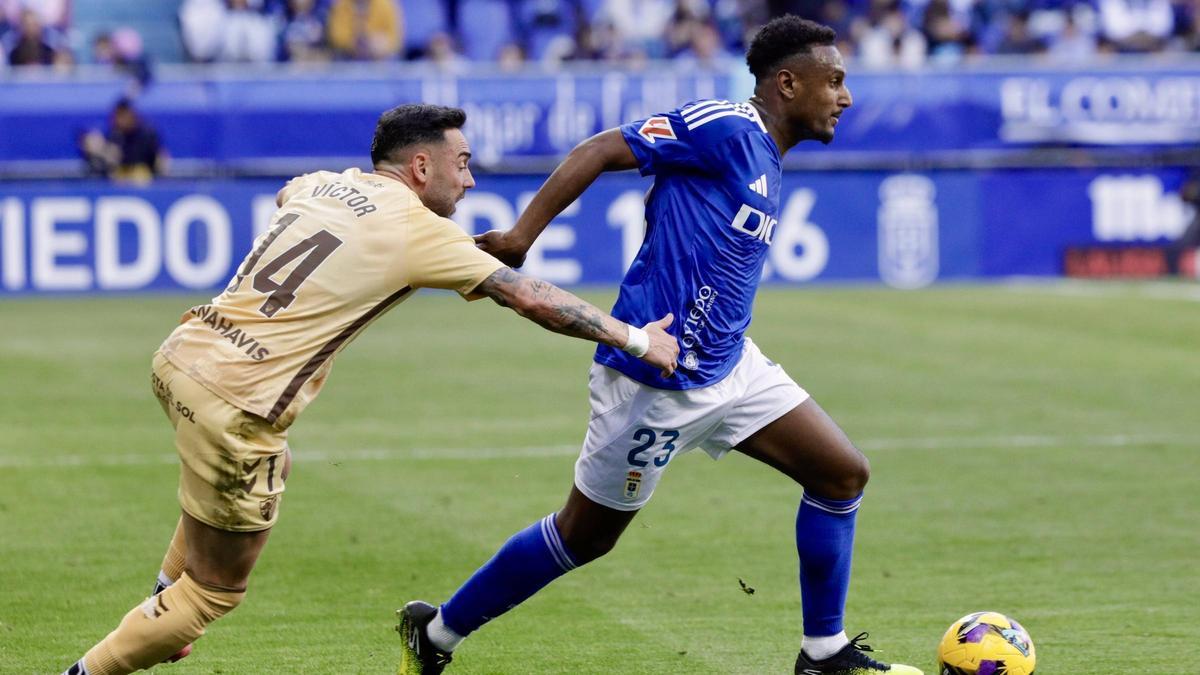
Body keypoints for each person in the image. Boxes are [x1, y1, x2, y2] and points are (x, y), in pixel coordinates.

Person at [61, 103, 678, 675]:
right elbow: (529, 296)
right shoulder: (420, 230)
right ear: (420, 166)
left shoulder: (319, 183)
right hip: (240, 403)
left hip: (183, 356)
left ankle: (164, 601)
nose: (468, 181)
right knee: (217, 590)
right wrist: (636, 340)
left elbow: (288, 196)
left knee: (256, 473)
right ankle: (105, 657)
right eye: (461, 165)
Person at [399, 16, 923, 675]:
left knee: (841, 473)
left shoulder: (765, 154)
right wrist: (520, 238)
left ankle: (823, 654)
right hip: (652, 378)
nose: (845, 97)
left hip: (731, 366)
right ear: (788, 83)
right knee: (583, 537)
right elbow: (598, 149)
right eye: (835, 81)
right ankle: (437, 631)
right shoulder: (727, 126)